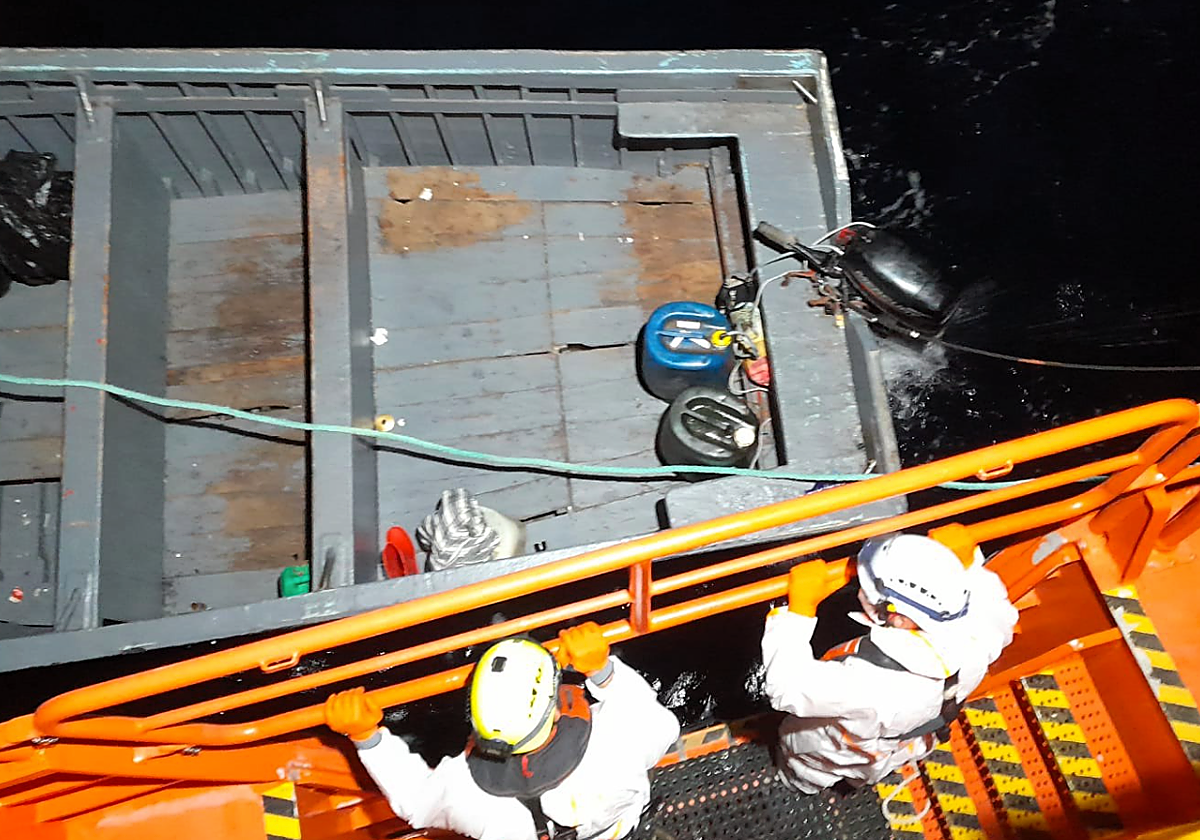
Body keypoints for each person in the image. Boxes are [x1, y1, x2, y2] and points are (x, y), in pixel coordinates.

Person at [324, 621, 681, 840]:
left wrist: (366, 736)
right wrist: (601, 670)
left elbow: (417, 803)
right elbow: (665, 728)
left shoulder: (463, 791)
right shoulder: (620, 738)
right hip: (619, 828)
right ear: (556, 709)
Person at [761, 533, 1018, 794]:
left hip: (839, 747)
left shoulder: (871, 683)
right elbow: (994, 604)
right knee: (867, 769)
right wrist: (969, 564)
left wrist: (798, 611)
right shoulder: (981, 630)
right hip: (910, 736)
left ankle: (793, 784)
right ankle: (850, 784)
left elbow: (787, 688)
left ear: (896, 616)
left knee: (807, 766)